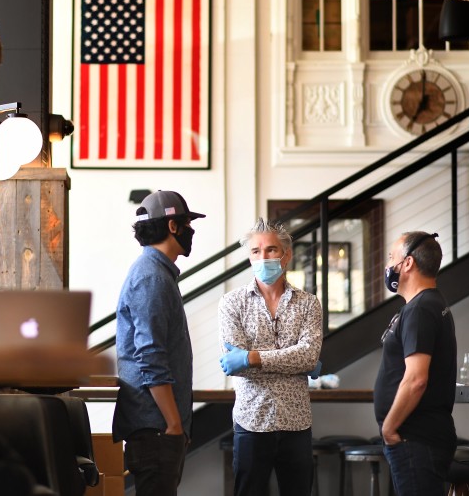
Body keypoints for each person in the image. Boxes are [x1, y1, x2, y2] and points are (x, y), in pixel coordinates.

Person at [218, 218, 322, 496]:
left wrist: (251, 357)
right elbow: (234, 365)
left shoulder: (308, 303)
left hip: (296, 422)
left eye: (271, 250)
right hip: (252, 420)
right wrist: (292, 360)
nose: (263, 257)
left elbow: (308, 357)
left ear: (286, 255)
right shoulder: (231, 303)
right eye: (256, 251)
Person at [112, 190, 205, 496]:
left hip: (158, 427)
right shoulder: (151, 277)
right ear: (173, 226)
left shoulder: (156, 273)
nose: (192, 231)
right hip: (157, 428)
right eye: (188, 223)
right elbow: (150, 355)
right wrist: (174, 424)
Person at [374, 231, 457, 496]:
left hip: (415, 440)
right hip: (420, 438)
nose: (388, 266)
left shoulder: (420, 309)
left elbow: (416, 379)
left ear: (407, 263)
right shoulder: (430, 303)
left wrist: (389, 427)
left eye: (391, 258)